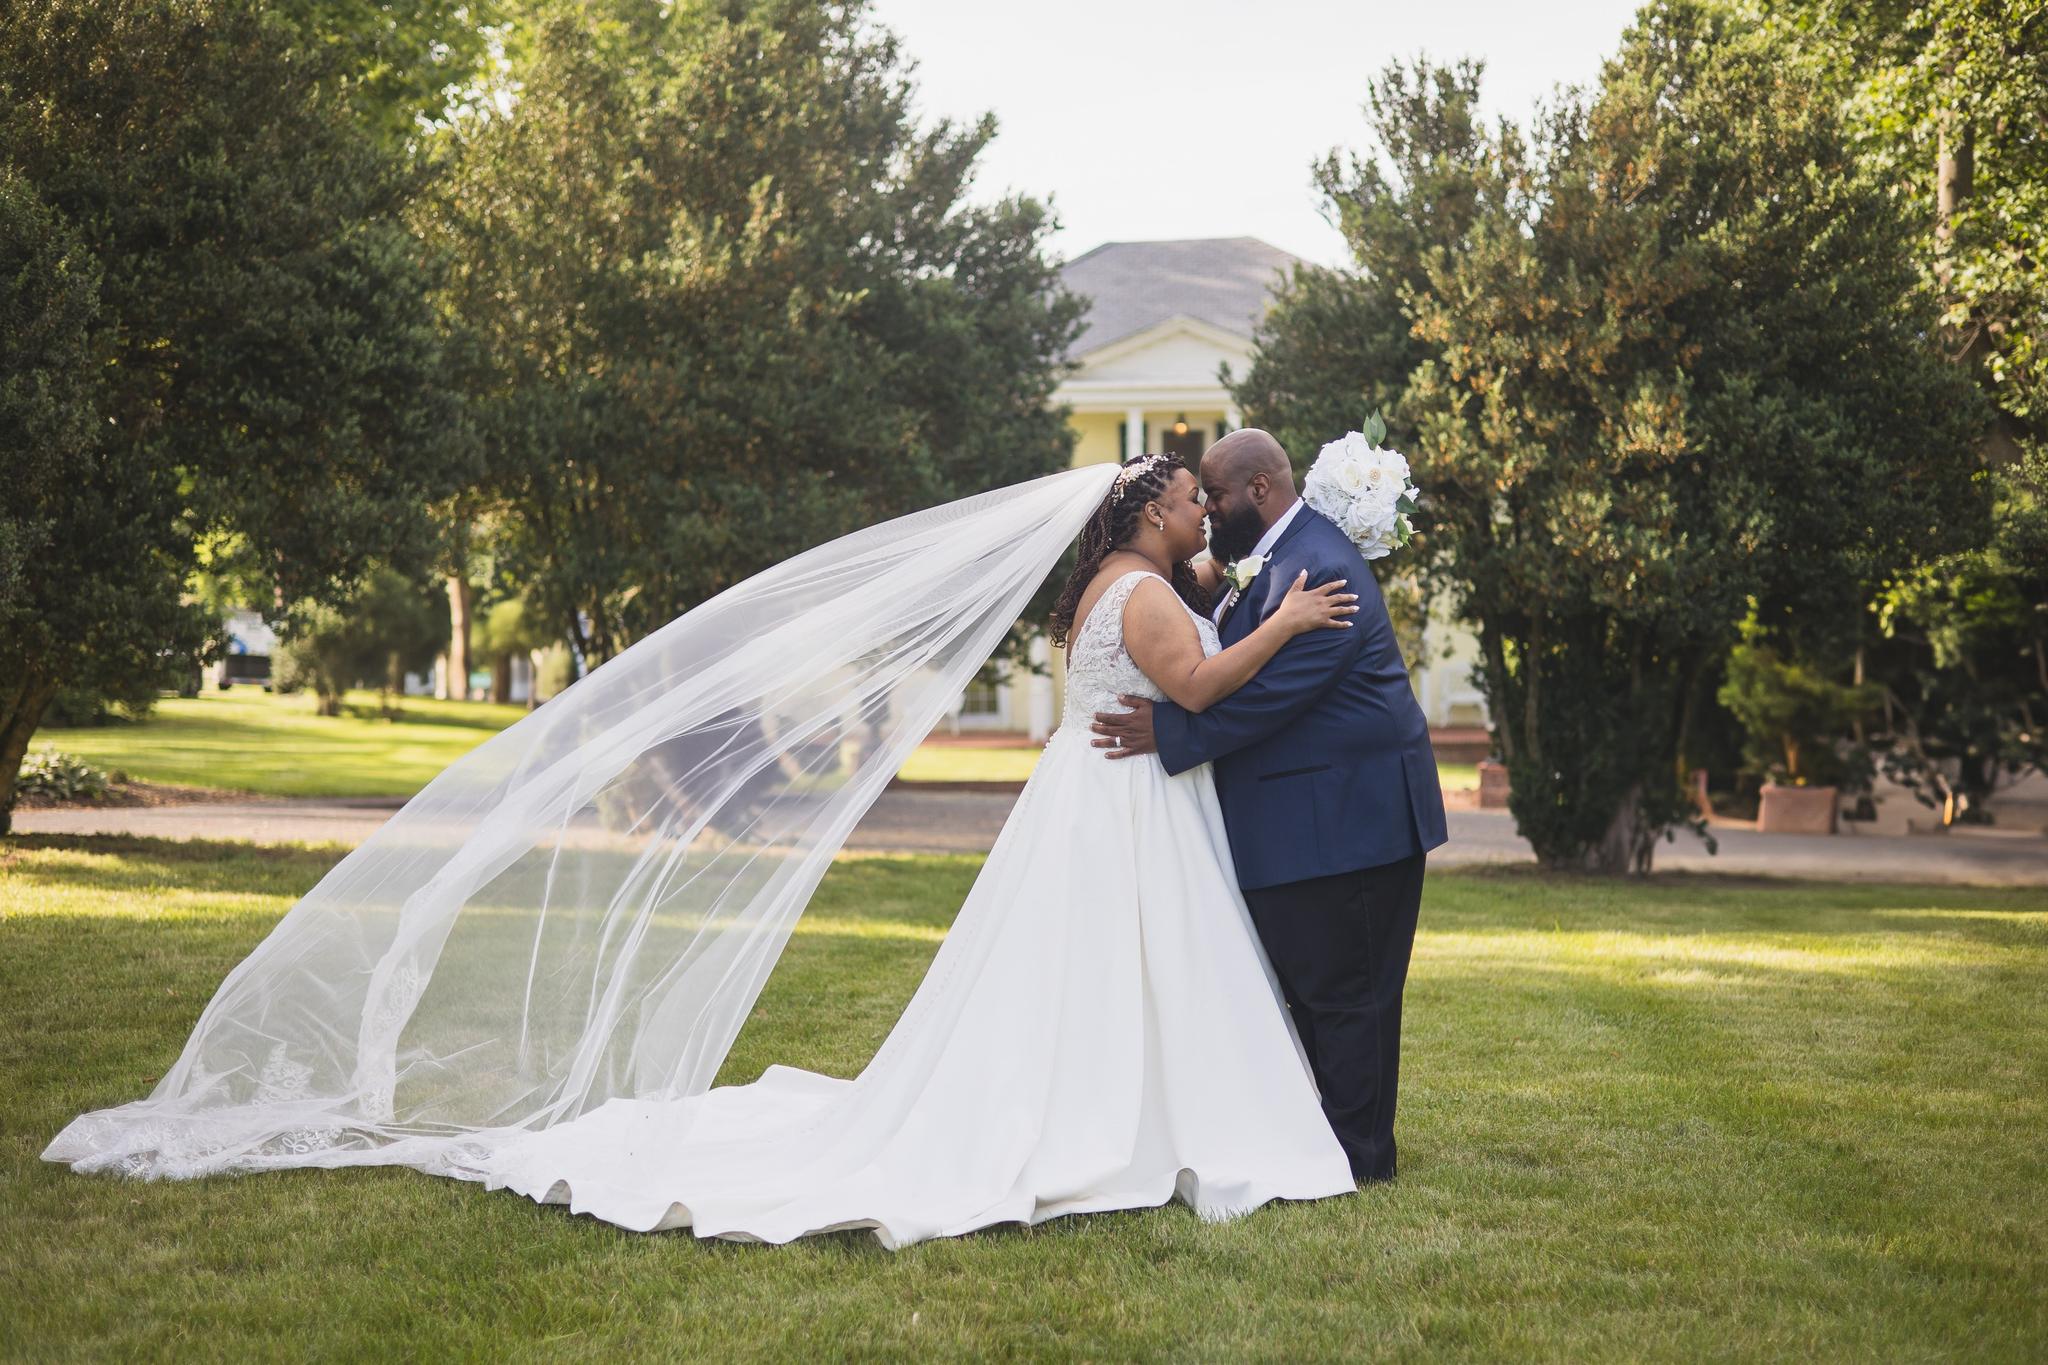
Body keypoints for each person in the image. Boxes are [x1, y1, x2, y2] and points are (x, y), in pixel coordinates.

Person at [465, 453, 1367, 1246]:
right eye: (1187, 499)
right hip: (1128, 801)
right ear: (1150, 516)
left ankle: (1135, 1105)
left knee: (1096, 964)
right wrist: (1284, 622)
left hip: (1091, 793)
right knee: (1146, 955)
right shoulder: (1143, 594)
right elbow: (1199, 686)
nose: (1201, 511)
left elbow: (1204, 587)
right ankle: (1143, 1118)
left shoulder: (1121, 580)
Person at [1088, 430, 1448, 1183]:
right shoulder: (1275, 558)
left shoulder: (1323, 568)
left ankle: (1361, 1160)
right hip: (1305, 816)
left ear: (1257, 491)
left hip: (1355, 819)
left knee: (1352, 996)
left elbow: (1273, 700)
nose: (1208, 512)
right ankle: (1320, 1144)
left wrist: (1172, 730)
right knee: (1314, 991)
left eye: (1213, 496)